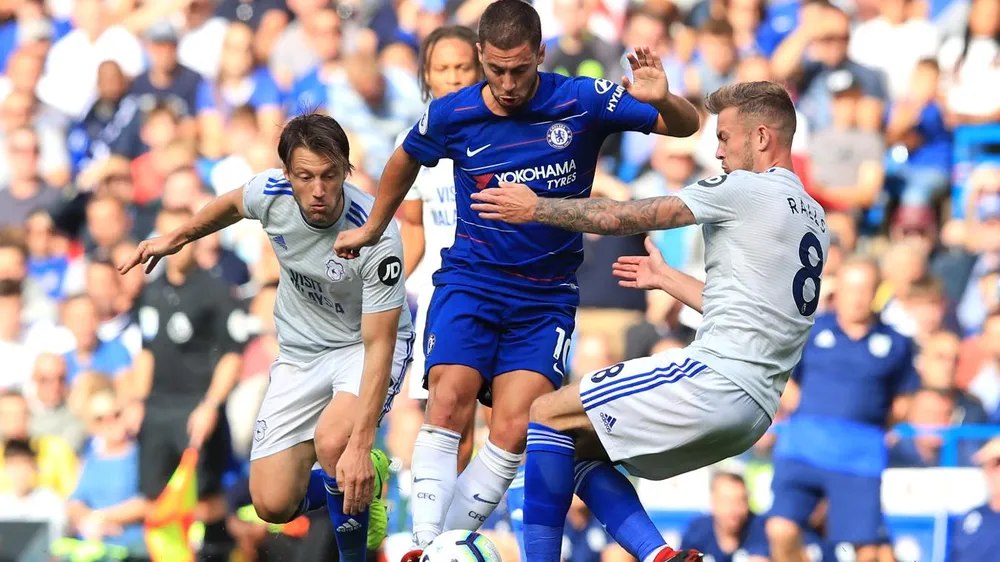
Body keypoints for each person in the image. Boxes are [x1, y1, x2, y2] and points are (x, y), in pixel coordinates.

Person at [334, 1, 700, 557]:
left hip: (545, 297)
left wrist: (664, 98)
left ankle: (439, 548)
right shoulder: (453, 113)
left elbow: (685, 125)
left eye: (520, 70)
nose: (507, 83)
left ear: (541, 57)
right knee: (448, 401)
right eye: (496, 69)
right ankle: (427, 545)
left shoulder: (581, 100)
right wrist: (374, 226)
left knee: (513, 427)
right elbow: (405, 158)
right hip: (471, 282)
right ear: (482, 56)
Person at [469, 81, 829, 562]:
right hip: (754, 411)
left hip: (713, 380)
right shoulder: (814, 216)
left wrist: (535, 208)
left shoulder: (746, 188)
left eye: (724, 137)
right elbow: (751, 311)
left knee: (545, 414)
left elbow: (623, 216)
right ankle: (661, 556)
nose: (716, 150)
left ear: (762, 137)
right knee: (573, 446)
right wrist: (668, 278)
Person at [118, 113, 415, 562]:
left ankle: (355, 539)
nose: (318, 190)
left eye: (330, 176)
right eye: (305, 177)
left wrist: (360, 444)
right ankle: (360, 483)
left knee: (336, 442)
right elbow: (232, 204)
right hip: (301, 352)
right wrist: (178, 236)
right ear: (286, 175)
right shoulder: (270, 194)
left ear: (346, 171)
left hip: (363, 347)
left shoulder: (376, 235)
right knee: (273, 504)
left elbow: (379, 344)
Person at [398, 25, 484, 473]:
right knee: (449, 423)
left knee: (514, 423)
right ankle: (437, 535)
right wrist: (385, 287)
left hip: (505, 284)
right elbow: (413, 229)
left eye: (462, 68)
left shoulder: (508, 134)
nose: (453, 78)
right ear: (426, 77)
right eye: (442, 69)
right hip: (445, 293)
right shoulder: (414, 143)